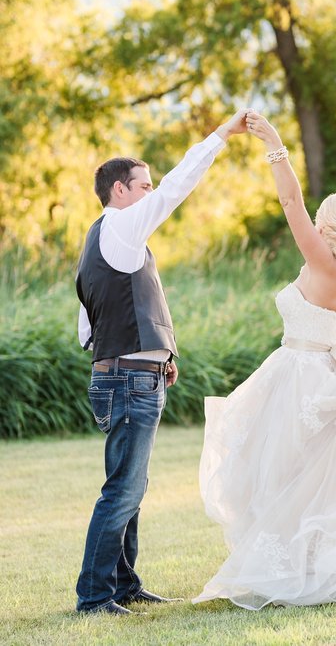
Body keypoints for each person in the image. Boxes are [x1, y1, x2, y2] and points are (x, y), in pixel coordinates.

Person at [193, 112, 336, 610]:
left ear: (325, 223)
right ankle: (312, 565)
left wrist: (275, 144)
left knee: (283, 476)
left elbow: (289, 201)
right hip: (335, 383)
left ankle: (293, 570)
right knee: (321, 483)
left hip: (300, 379)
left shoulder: (321, 260)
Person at [74, 109, 250, 615]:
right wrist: (220, 136)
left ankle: (124, 584)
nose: (152, 192)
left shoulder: (96, 238)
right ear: (120, 192)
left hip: (121, 372)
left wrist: (157, 354)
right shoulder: (126, 227)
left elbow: (88, 324)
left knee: (130, 484)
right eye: (143, 185)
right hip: (130, 378)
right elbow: (180, 185)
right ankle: (94, 596)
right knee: (123, 490)